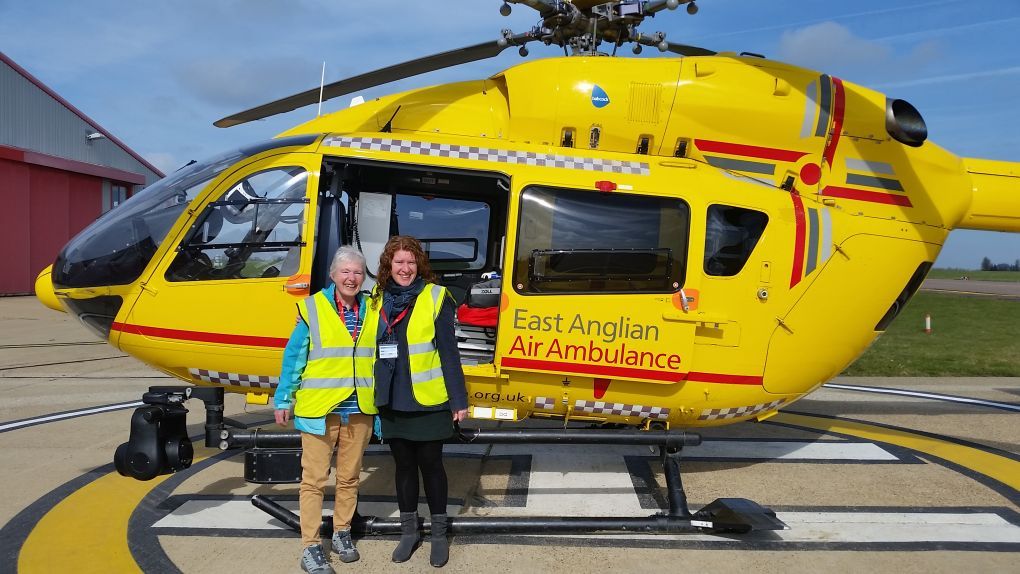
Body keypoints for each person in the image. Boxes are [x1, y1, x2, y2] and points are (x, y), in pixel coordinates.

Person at [274, 246, 376, 574]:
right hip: (320, 410)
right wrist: (283, 398)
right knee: (314, 481)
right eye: (345, 271)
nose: (351, 277)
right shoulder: (312, 309)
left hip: (359, 409)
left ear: (364, 277)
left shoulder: (372, 308)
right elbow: (294, 358)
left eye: (357, 272)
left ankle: (343, 532)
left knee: (349, 477)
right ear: (332, 275)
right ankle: (311, 546)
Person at [369, 235, 468, 568]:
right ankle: (409, 532)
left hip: (427, 401)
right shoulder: (377, 299)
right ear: (388, 266)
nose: (405, 268)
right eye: (399, 262)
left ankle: (439, 533)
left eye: (411, 262)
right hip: (392, 399)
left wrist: (458, 399)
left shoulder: (437, 297)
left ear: (419, 265)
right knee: (404, 468)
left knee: (432, 467)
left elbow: (449, 354)